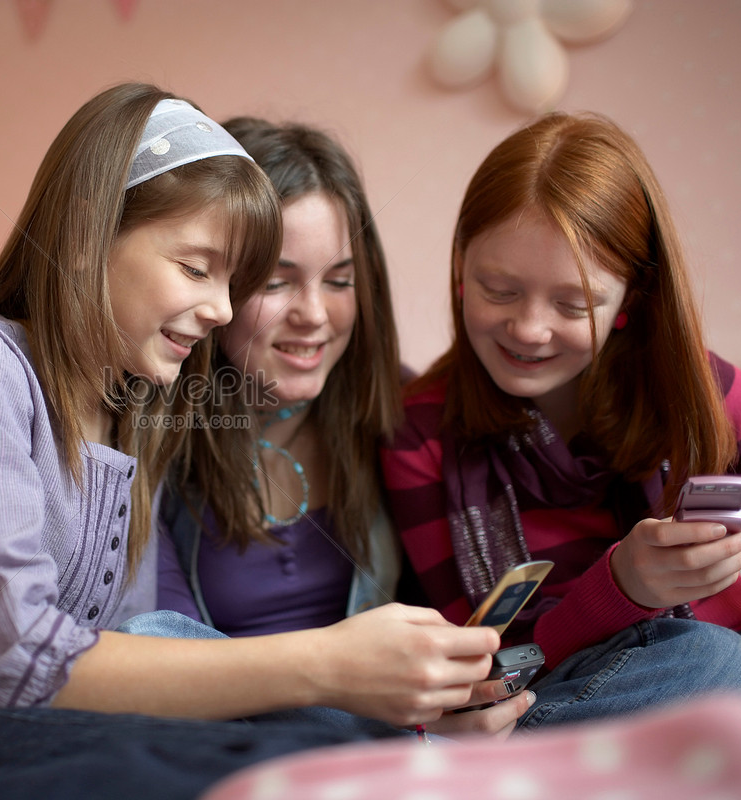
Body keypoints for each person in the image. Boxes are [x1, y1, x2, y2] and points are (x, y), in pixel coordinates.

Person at [0, 84, 491, 800]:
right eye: (197, 268)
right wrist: (325, 665)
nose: (221, 310)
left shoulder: (131, 419)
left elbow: (136, 648)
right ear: (86, 243)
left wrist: (382, 724)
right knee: (187, 773)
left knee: (317, 751)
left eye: (233, 282)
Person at [381, 110, 741, 728]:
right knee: (717, 667)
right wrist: (622, 587)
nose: (529, 329)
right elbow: (492, 666)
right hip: (564, 684)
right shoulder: (421, 432)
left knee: (731, 665)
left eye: (574, 304)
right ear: (460, 268)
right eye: (499, 290)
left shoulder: (707, 393)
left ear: (632, 298)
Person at [144, 117, 528, 737]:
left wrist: (459, 699)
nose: (315, 316)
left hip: (395, 736)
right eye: (276, 281)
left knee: (707, 661)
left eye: (340, 281)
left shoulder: (405, 415)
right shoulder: (155, 432)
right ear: (213, 284)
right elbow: (163, 654)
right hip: (228, 740)